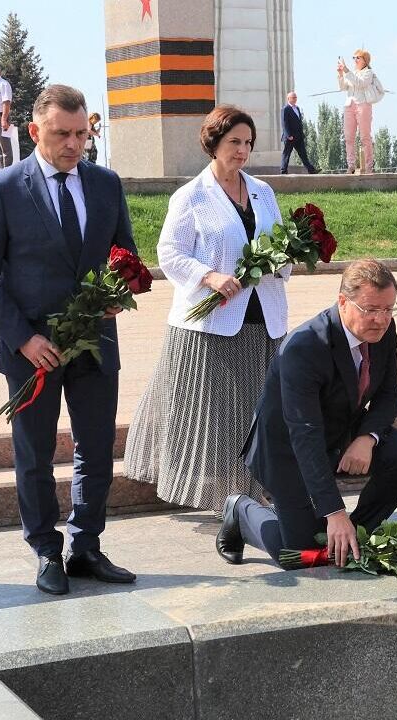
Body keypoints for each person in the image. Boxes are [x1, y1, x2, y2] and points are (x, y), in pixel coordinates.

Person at [0, 84, 139, 596]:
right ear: (35, 130)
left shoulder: (106, 185)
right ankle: (46, 550)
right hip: (31, 350)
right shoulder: (3, 187)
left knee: (96, 448)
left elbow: (124, 257)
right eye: (63, 134)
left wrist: (119, 290)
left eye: (82, 133)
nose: (74, 144)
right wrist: (21, 339)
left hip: (94, 343)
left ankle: (86, 545)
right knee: (35, 453)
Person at [124, 105, 290, 518]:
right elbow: (169, 253)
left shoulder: (263, 192)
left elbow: (280, 243)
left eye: (248, 143)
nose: (242, 150)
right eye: (234, 142)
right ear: (213, 144)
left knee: (258, 410)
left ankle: (255, 490)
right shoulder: (191, 195)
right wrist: (209, 276)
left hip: (263, 319)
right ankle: (223, 499)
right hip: (210, 323)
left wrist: (284, 259)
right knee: (215, 415)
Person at [215, 260, 397, 568]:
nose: (381, 319)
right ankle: (241, 512)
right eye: (371, 309)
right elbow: (304, 433)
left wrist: (367, 437)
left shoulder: (383, 332)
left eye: (389, 309)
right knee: (298, 556)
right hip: (288, 450)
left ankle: (354, 536)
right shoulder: (305, 346)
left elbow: (390, 394)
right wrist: (334, 512)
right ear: (343, 302)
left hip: (340, 431)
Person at [337, 48, 381, 174]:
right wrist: (340, 74)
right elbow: (343, 87)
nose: (355, 60)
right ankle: (351, 165)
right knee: (348, 137)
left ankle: (368, 166)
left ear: (365, 60)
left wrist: (346, 70)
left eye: (358, 58)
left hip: (363, 105)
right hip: (349, 106)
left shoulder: (368, 73)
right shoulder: (352, 72)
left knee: (365, 137)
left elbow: (360, 83)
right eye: (354, 58)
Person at [279, 91, 315, 174]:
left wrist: (302, 134)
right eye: (293, 97)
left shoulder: (297, 108)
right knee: (287, 153)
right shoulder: (285, 109)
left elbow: (299, 122)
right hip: (290, 137)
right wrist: (288, 135)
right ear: (288, 99)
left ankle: (311, 170)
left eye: (296, 97)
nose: (295, 99)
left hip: (298, 136)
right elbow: (284, 123)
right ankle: (283, 170)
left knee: (303, 154)